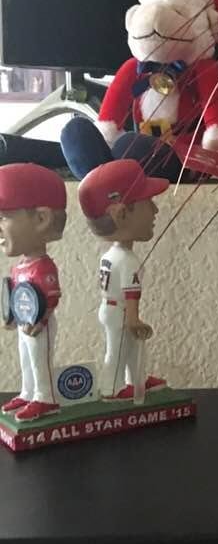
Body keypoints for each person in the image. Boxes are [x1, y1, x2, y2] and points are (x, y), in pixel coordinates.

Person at [79, 159, 170, 399]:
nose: (155, 210)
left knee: (131, 349)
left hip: (109, 308)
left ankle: (136, 380)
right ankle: (113, 388)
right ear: (121, 213)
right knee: (118, 351)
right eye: (147, 202)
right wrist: (133, 320)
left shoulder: (110, 255)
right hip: (119, 312)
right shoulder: (129, 260)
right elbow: (131, 296)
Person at [0, 163, 67, 422]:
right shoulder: (20, 266)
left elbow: (51, 296)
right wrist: (11, 317)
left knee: (40, 359)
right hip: (24, 323)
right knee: (25, 357)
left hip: (41, 324)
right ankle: (28, 392)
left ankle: (45, 398)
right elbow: (17, 295)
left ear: (41, 219)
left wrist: (41, 320)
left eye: (3, 217)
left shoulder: (43, 266)